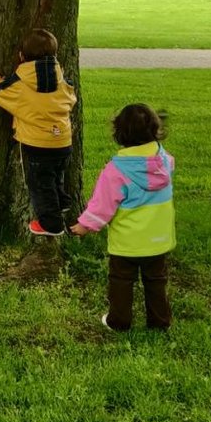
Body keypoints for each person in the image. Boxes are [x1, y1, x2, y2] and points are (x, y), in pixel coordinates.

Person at [70, 104, 176, 331]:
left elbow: (102, 205)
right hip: (158, 240)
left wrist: (84, 225)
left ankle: (119, 321)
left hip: (127, 243)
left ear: (120, 134)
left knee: (121, 281)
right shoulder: (165, 161)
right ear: (154, 130)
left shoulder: (116, 171)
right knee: (156, 280)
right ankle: (160, 321)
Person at [0, 28, 78, 236]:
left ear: (21, 56)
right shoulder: (61, 80)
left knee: (40, 183)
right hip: (63, 141)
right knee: (57, 175)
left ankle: (51, 224)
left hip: (37, 145)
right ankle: (62, 202)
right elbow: (71, 96)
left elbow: (0, 94)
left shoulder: (19, 84)